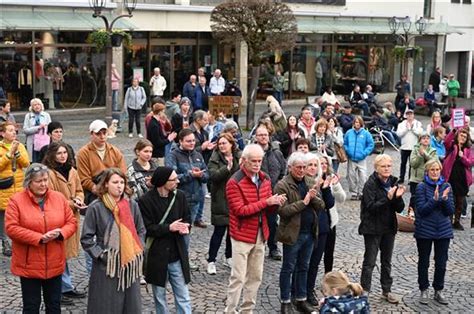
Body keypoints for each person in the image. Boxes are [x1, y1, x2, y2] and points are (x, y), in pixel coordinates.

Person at [6, 163, 76, 313]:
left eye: (45, 180)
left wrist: (61, 233)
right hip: (29, 264)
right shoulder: (16, 201)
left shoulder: (59, 198)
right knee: (31, 306)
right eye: (39, 181)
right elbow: (11, 228)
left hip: (55, 261)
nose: (43, 184)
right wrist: (39, 238)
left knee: (54, 306)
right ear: (29, 182)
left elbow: (71, 222)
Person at [224, 144, 286, 313]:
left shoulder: (265, 179)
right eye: (254, 161)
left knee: (256, 277)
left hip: (261, 234)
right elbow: (240, 211)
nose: (257, 164)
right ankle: (230, 310)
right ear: (243, 161)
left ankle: (247, 311)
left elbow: (267, 209)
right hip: (241, 235)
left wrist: (275, 203)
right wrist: (266, 203)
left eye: (260, 161)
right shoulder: (234, 182)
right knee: (238, 277)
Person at [81, 168, 145, 314]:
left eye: (122, 182)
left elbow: (141, 230)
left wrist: (138, 249)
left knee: (131, 306)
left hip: (130, 264)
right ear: (106, 185)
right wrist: (101, 256)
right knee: (106, 306)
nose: (119, 186)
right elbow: (87, 238)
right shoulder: (95, 207)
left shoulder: (132, 205)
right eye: (115, 182)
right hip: (107, 266)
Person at [274, 152, 324, 313]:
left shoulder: (309, 181)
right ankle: (285, 301)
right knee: (288, 268)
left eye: (304, 167)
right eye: (299, 167)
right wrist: (304, 202)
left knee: (304, 266)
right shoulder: (282, 185)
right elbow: (283, 211)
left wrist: (313, 198)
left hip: (309, 232)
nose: (302, 170)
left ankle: (301, 299)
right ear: (290, 168)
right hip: (292, 233)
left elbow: (321, 205)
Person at [138, 167, 192, 313]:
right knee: (160, 297)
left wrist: (186, 226)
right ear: (163, 182)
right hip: (157, 256)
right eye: (174, 179)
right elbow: (147, 228)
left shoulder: (180, 196)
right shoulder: (145, 201)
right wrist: (169, 228)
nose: (178, 181)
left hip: (177, 254)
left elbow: (187, 218)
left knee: (183, 295)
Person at [43, 142, 86, 304]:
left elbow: (79, 190)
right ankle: (57, 290)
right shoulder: (50, 173)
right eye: (59, 153)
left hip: (71, 217)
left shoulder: (72, 171)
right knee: (57, 254)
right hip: (56, 218)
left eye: (65, 152)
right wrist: (71, 203)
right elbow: (50, 195)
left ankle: (66, 286)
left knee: (64, 255)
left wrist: (79, 199)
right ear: (53, 155)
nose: (63, 155)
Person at [359, 154, 406, 304]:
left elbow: (399, 208)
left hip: (388, 227)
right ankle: (364, 290)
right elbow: (371, 207)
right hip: (372, 228)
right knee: (370, 262)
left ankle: (387, 290)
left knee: (387, 261)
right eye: (383, 166)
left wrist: (397, 197)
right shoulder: (370, 184)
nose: (387, 169)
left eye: (389, 166)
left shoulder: (393, 182)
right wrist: (388, 198)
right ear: (377, 168)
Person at [414, 159, 454, 306]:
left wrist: (444, 200)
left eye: (437, 169)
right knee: (424, 262)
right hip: (425, 230)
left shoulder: (447, 186)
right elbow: (422, 210)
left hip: (443, 231)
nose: (435, 172)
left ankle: (438, 290)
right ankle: (423, 289)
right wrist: (435, 200)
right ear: (427, 171)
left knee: (441, 263)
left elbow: (450, 211)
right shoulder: (421, 187)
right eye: (432, 170)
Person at [206, 133, 241, 275]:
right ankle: (211, 260)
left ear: (231, 144)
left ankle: (229, 256)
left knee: (232, 232)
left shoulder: (239, 156)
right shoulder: (214, 158)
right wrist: (226, 168)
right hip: (220, 198)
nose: (222, 146)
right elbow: (213, 176)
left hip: (235, 199)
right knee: (219, 231)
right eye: (220, 144)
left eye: (224, 143)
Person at [166, 128, 208, 231]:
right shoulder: (173, 155)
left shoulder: (198, 155)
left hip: (195, 200)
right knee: (177, 231)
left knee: (187, 230)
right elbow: (172, 178)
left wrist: (201, 175)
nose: (192, 143)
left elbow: (207, 176)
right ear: (180, 141)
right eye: (188, 141)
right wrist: (191, 175)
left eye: (193, 140)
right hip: (179, 200)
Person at [255, 125, 286, 261]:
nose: (263, 137)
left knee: (273, 222)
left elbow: (283, 171)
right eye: (260, 135)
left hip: (273, 193)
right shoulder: (253, 152)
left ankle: (273, 247)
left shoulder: (276, 153)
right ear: (256, 137)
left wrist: (278, 186)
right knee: (256, 223)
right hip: (256, 195)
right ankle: (256, 248)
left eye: (265, 135)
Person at [77, 120, 126, 206]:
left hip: (115, 191)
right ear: (91, 134)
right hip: (94, 194)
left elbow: (123, 173)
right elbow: (84, 179)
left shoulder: (115, 151)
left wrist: (115, 189)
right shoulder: (83, 153)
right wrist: (100, 192)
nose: (102, 136)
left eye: (104, 133)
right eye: (98, 134)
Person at [0, 121, 29, 256]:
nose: (13, 133)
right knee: (3, 216)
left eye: (14, 131)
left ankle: (17, 241)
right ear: (2, 133)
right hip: (3, 187)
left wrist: (16, 153)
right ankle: (5, 241)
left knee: (19, 215)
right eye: (10, 130)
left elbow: (25, 163)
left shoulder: (20, 146)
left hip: (18, 186)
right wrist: (8, 154)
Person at [442, 127, 473, 230]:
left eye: (465, 136)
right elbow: (446, 142)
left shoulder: (468, 149)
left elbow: (470, 162)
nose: (463, 138)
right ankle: (448, 221)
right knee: (450, 200)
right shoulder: (452, 145)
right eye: (461, 135)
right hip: (451, 177)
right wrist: (454, 131)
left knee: (460, 202)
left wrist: (462, 156)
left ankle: (457, 221)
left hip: (462, 179)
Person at [343, 116, 374, 200]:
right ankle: (353, 193)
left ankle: (361, 193)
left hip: (362, 159)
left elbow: (371, 144)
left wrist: (365, 153)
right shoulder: (349, 133)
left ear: (361, 123)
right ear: (353, 123)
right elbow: (345, 143)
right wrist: (348, 150)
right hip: (351, 158)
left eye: (358, 122)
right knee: (351, 176)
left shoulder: (366, 133)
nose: (357, 124)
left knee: (363, 176)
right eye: (355, 122)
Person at [408, 132, 437, 212]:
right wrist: (420, 156)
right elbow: (413, 164)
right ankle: (410, 214)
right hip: (416, 179)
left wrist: (425, 154)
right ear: (420, 140)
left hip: (428, 179)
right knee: (414, 198)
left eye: (428, 138)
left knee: (426, 198)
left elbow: (435, 162)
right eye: (423, 138)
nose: (426, 140)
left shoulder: (433, 150)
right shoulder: (415, 150)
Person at [396, 109, 423, 184]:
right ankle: (401, 178)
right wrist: (406, 129)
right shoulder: (401, 124)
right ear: (406, 115)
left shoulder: (418, 123)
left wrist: (412, 128)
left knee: (412, 165)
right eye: (408, 114)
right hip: (404, 147)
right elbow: (398, 134)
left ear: (413, 115)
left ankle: (411, 178)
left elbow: (420, 133)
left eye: (411, 114)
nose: (409, 115)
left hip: (414, 148)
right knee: (403, 164)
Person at [22, 98, 51, 162]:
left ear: (41, 105)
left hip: (43, 142)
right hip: (32, 143)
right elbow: (25, 130)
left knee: (44, 160)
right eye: (34, 105)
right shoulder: (28, 116)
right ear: (31, 107)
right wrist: (37, 128)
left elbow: (50, 128)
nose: (37, 106)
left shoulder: (46, 115)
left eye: (38, 104)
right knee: (33, 161)